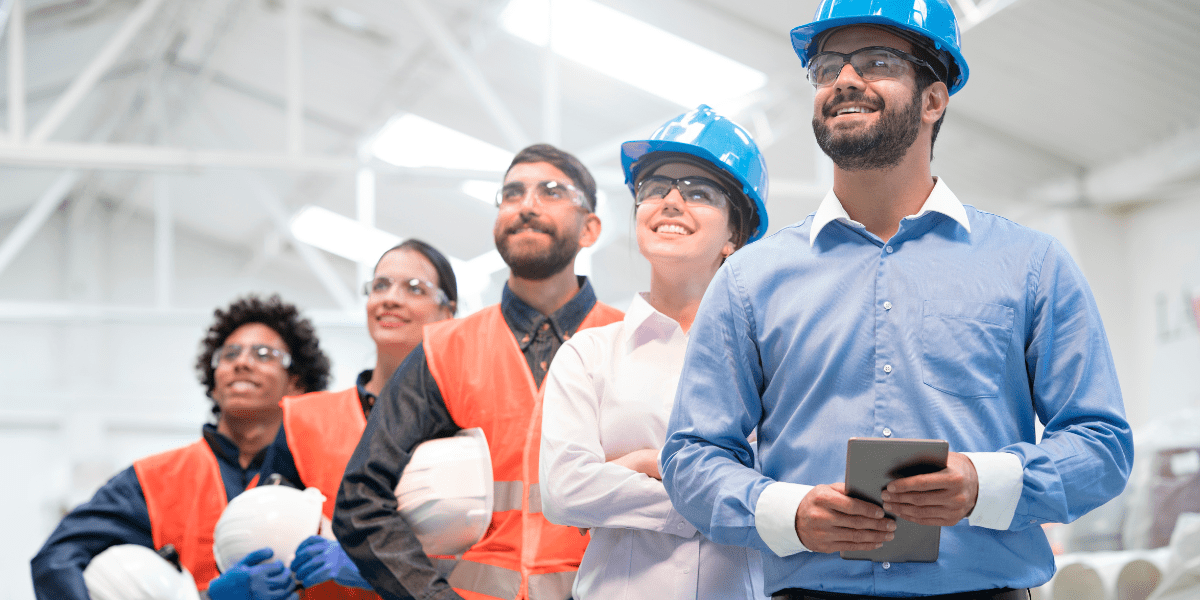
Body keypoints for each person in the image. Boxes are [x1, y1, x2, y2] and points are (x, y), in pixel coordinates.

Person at [659, 1, 1135, 599]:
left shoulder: (1030, 266)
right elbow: (692, 455)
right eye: (828, 66)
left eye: (876, 61)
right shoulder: (750, 279)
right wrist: (788, 512)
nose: (844, 80)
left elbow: (1102, 444)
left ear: (934, 99)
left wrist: (983, 483)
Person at [333, 144, 624, 600]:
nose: (526, 205)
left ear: (591, 229)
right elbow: (361, 501)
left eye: (550, 191)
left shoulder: (632, 343)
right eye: (511, 193)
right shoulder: (445, 349)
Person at [539, 105, 769, 599]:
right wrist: (719, 497)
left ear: (735, 234)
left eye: (699, 192)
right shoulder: (588, 355)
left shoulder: (773, 361)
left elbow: (784, 482)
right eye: (654, 188)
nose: (669, 201)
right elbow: (564, 492)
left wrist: (644, 463)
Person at [32, 294, 332, 600]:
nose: (242, 362)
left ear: (296, 381)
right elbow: (55, 559)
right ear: (213, 383)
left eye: (264, 354)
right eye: (229, 355)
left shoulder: (322, 476)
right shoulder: (154, 480)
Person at [284, 240, 458, 595]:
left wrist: (378, 564)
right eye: (380, 285)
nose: (390, 298)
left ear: (447, 312)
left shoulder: (466, 424)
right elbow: (267, 528)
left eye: (414, 288)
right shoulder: (303, 419)